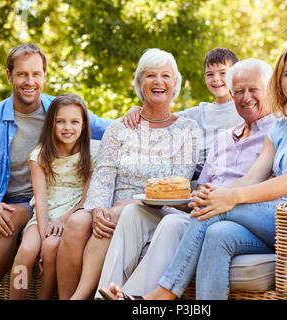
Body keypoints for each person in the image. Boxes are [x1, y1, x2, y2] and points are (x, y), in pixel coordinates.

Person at [102, 43, 287, 300]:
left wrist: (229, 199)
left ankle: (157, 296)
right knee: (218, 234)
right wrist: (211, 196)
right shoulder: (280, 129)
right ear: (280, 83)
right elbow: (251, 178)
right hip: (281, 223)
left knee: (213, 211)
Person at [96, 58, 276, 299]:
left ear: (269, 91)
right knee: (133, 213)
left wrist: (212, 200)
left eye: (253, 90)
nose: (245, 98)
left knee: (171, 224)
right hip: (201, 212)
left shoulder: (277, 133)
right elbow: (199, 191)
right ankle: (107, 294)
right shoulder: (223, 138)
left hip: (237, 217)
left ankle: (137, 298)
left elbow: (272, 188)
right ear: (231, 95)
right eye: (239, 91)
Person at [0, 43, 112, 300]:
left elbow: (108, 127)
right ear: (9, 75)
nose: (30, 81)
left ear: (45, 76)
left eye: (36, 74)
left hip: (31, 204)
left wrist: (139, 113)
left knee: (8, 221)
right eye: (22, 74)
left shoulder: (59, 112)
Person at [55, 48, 200, 300]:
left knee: (120, 214)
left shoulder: (188, 129)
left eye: (166, 76)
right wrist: (98, 208)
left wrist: (131, 203)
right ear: (138, 82)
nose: (158, 81)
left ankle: (90, 295)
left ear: (175, 84)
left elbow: (178, 184)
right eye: (150, 75)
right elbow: (103, 174)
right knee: (81, 221)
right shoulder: (120, 126)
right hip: (113, 206)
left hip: (161, 211)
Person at [8, 94, 99, 299]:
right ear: (51, 124)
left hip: (72, 215)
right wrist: (42, 236)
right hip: (43, 217)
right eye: (60, 122)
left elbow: (86, 200)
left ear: (84, 124)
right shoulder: (39, 155)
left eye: (75, 121)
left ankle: (44, 297)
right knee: (25, 253)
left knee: (51, 247)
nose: (68, 127)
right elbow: (39, 199)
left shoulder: (93, 153)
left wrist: (62, 220)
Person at [122, 48, 242, 183]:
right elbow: (159, 120)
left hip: (219, 174)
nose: (216, 79)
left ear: (235, 75)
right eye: (209, 74)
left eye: (223, 73)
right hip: (191, 174)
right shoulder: (197, 113)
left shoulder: (243, 110)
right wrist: (136, 109)